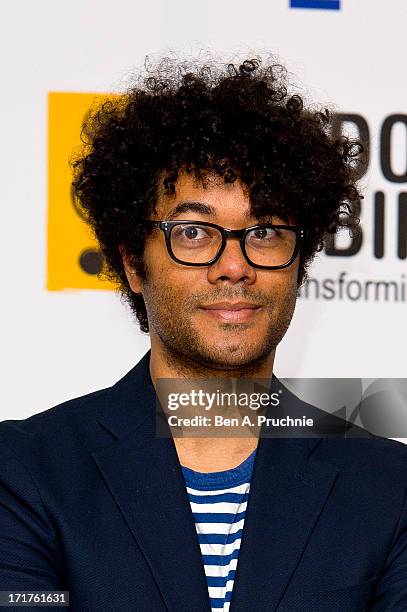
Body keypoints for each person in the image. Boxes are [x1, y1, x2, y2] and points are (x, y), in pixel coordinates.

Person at [1, 55, 406, 612]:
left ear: (300, 261)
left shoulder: (391, 489)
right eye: (193, 232)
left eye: (263, 231)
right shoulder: (26, 474)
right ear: (133, 264)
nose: (233, 266)